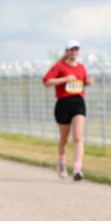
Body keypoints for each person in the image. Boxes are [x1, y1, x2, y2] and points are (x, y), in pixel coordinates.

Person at [42, 39, 94, 180]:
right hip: (63, 104)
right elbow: (46, 82)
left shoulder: (81, 67)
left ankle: (77, 169)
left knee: (78, 137)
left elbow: (81, 83)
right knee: (64, 138)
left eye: (76, 49)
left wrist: (88, 82)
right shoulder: (59, 66)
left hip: (78, 102)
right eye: (71, 49)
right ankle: (61, 162)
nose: (74, 52)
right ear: (66, 51)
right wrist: (64, 79)